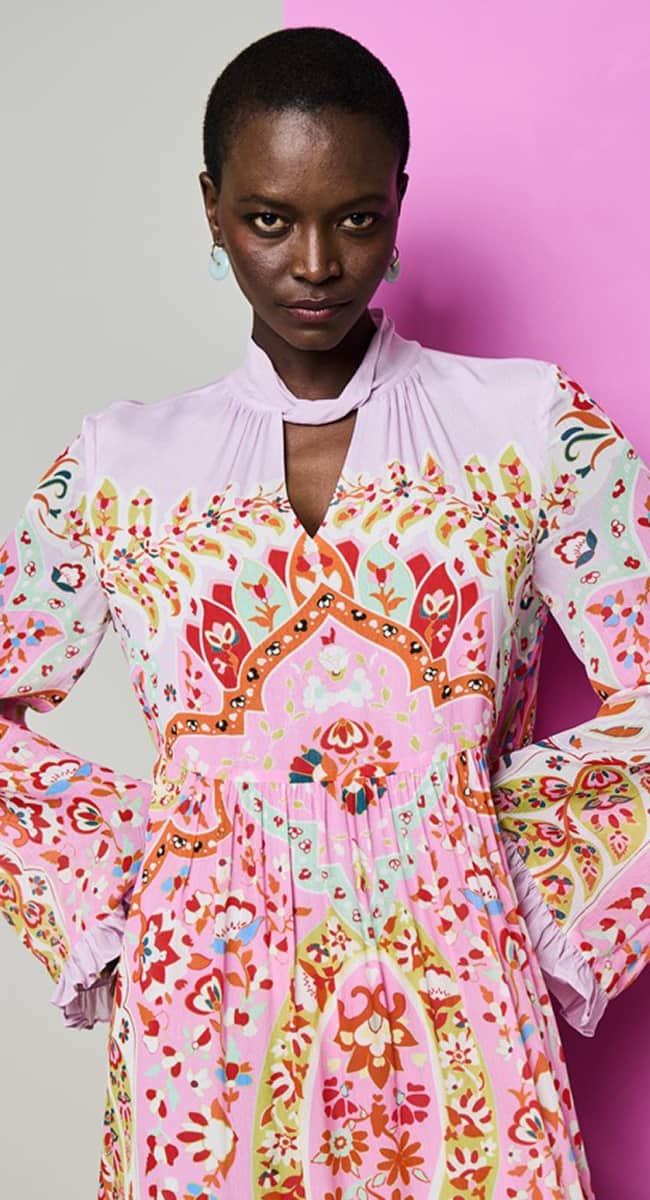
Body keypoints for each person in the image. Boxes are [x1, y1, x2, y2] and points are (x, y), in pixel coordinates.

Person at [1, 24, 648, 1200]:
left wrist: (522, 871)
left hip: (463, 1001)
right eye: (268, 218)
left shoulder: (526, 429)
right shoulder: (121, 466)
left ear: (397, 203)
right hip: (200, 1021)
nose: (313, 262)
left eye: (355, 218)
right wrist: (124, 888)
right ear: (210, 207)